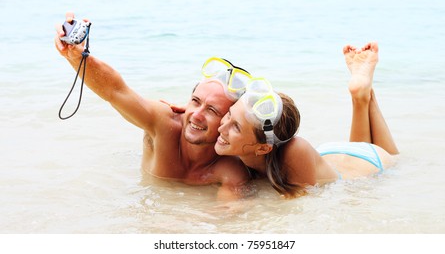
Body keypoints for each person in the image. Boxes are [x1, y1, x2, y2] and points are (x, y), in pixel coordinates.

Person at [54, 12, 253, 201]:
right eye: (195, 101)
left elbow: (228, 216)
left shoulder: (230, 168)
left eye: (212, 110)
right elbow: (115, 91)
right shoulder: (164, 122)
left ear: (229, 120)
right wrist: (76, 56)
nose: (196, 115)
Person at [215, 41, 399, 198]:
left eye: (236, 127)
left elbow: (298, 208)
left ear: (263, 147)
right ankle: (361, 94)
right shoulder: (241, 149)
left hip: (371, 160)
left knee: (397, 160)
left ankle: (362, 95)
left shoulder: (296, 149)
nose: (222, 127)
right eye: (229, 114)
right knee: (360, 136)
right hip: (330, 157)